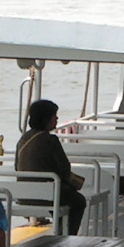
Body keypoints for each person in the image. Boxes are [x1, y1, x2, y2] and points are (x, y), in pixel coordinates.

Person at [16, 99, 86, 235]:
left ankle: (60, 233)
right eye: (54, 115)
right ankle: (66, 236)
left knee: (57, 196)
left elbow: (16, 166)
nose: (57, 118)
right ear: (47, 119)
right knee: (78, 201)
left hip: (24, 195)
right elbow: (64, 168)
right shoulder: (50, 140)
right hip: (46, 196)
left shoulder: (23, 139)